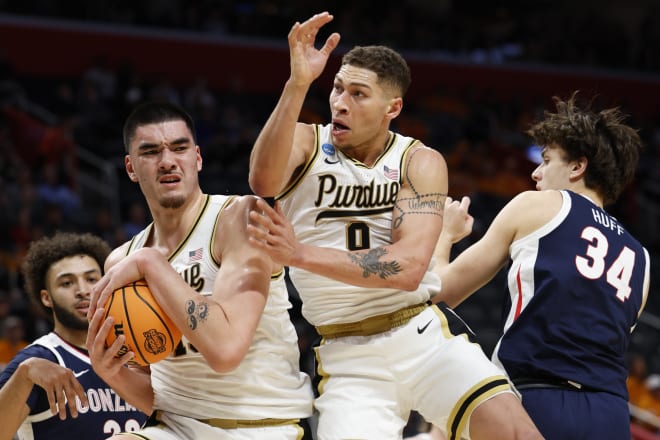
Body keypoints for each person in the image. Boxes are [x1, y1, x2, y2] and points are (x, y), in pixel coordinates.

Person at [246, 11, 541, 440]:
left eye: (359, 94)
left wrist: (300, 254)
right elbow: (261, 180)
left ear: (393, 107)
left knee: (518, 435)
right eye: (337, 89)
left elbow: (407, 269)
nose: (340, 103)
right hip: (347, 356)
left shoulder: (417, 162)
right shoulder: (305, 142)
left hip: (418, 334)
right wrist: (297, 84)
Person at [85, 101, 313, 440]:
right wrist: (113, 373)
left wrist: (151, 264)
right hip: (177, 427)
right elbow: (158, 397)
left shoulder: (240, 217)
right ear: (131, 168)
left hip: (262, 427)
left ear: (198, 158)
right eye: (150, 152)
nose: (167, 161)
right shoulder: (121, 261)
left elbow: (225, 351)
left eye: (179, 148)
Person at [432, 93, 650, 439]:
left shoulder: (538, 205)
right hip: (611, 414)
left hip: (536, 399)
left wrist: (445, 234)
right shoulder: (641, 257)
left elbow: (440, 294)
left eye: (546, 160)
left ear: (578, 167)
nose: (535, 172)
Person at [0, 232, 146, 440]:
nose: (83, 290)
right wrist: (24, 375)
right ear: (46, 298)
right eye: (67, 283)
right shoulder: (38, 359)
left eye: (91, 279)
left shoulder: (137, 353)